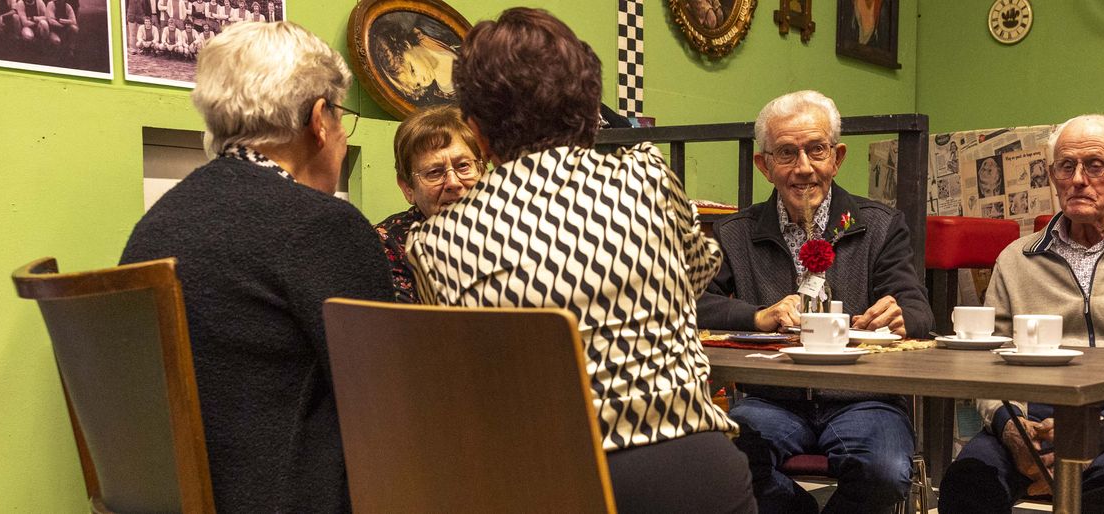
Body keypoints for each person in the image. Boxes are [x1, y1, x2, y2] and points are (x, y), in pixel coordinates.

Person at [404, 8, 754, 513]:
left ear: (477, 132)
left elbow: (466, 372)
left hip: (546, 480)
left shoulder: (435, 243)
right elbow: (697, 275)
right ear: (590, 109)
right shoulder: (647, 178)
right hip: (689, 467)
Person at [120, 21, 386, 513]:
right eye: (341, 117)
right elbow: (390, 405)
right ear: (319, 119)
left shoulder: (155, 225)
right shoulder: (323, 226)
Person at [937, 114, 1104, 514]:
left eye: (1095, 165)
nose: (1078, 179)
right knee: (968, 484)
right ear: (1052, 175)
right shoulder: (1017, 258)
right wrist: (1010, 427)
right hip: (1031, 417)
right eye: (1066, 166)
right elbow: (988, 359)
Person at [697, 90, 933, 514]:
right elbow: (692, 304)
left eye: (816, 150)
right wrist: (758, 315)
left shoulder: (879, 225)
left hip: (866, 398)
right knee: (721, 462)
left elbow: (918, 311)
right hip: (771, 400)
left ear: (836, 158)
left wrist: (901, 316)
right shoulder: (736, 232)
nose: (803, 168)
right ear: (764, 165)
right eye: (787, 153)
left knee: (883, 471)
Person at [374, 105, 484, 303]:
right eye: (434, 172)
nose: (453, 182)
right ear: (408, 187)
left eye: (463, 166)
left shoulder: (512, 227)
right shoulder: (387, 244)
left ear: (482, 171)